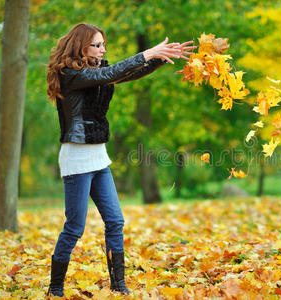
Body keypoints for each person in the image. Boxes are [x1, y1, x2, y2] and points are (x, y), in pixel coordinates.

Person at [45, 23, 196, 296]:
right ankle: (55, 288)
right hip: (77, 158)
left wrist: (159, 58)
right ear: (81, 46)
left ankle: (118, 285)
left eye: (104, 44)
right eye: (97, 45)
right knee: (75, 227)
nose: (103, 49)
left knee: (115, 221)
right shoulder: (70, 74)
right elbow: (111, 73)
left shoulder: (97, 71)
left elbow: (124, 74)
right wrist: (147, 52)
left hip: (99, 158)